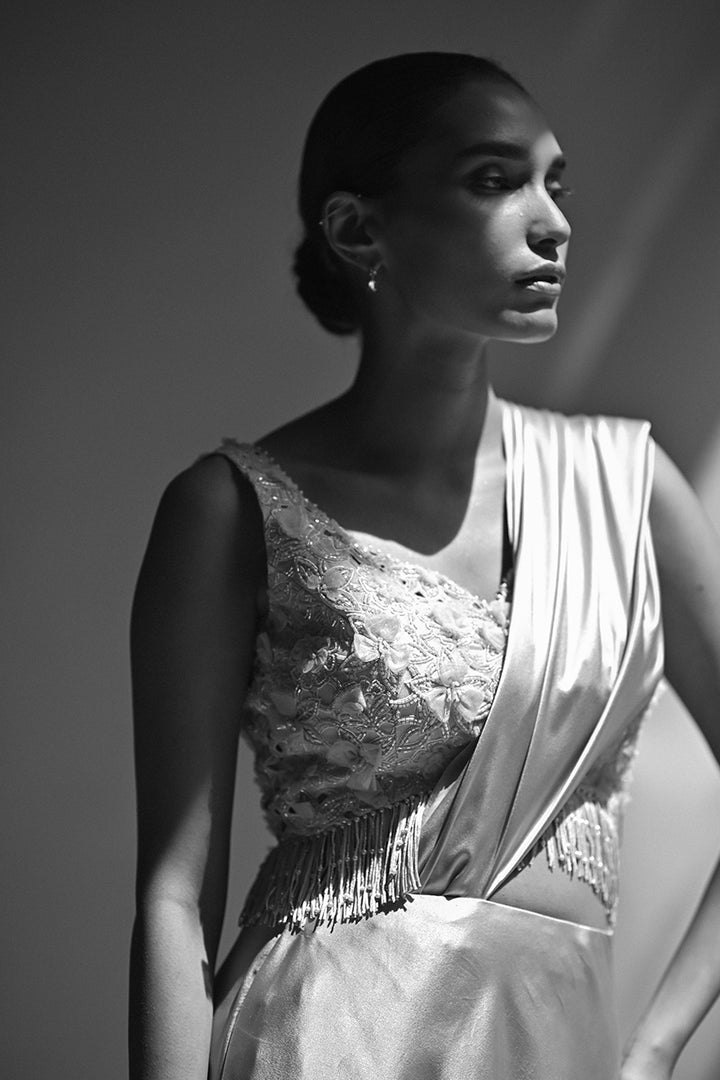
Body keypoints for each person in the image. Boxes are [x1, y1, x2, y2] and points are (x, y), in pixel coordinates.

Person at [128, 52, 720, 1080]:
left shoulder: (627, 487)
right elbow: (174, 898)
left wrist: (657, 1048)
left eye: (555, 182)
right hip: (320, 1036)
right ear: (359, 229)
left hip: (557, 1040)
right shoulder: (230, 512)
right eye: (495, 180)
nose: (554, 222)